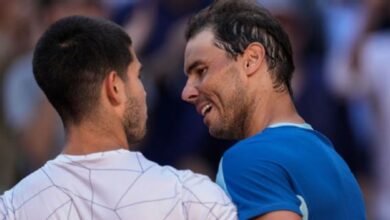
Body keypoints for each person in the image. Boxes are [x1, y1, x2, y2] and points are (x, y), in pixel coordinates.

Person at [0, 16, 237, 219]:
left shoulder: (12, 208)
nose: (144, 91)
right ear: (114, 87)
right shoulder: (193, 199)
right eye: (138, 76)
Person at [181, 0, 366, 219]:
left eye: (201, 70)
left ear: (251, 60)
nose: (187, 92)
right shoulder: (335, 163)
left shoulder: (248, 160)